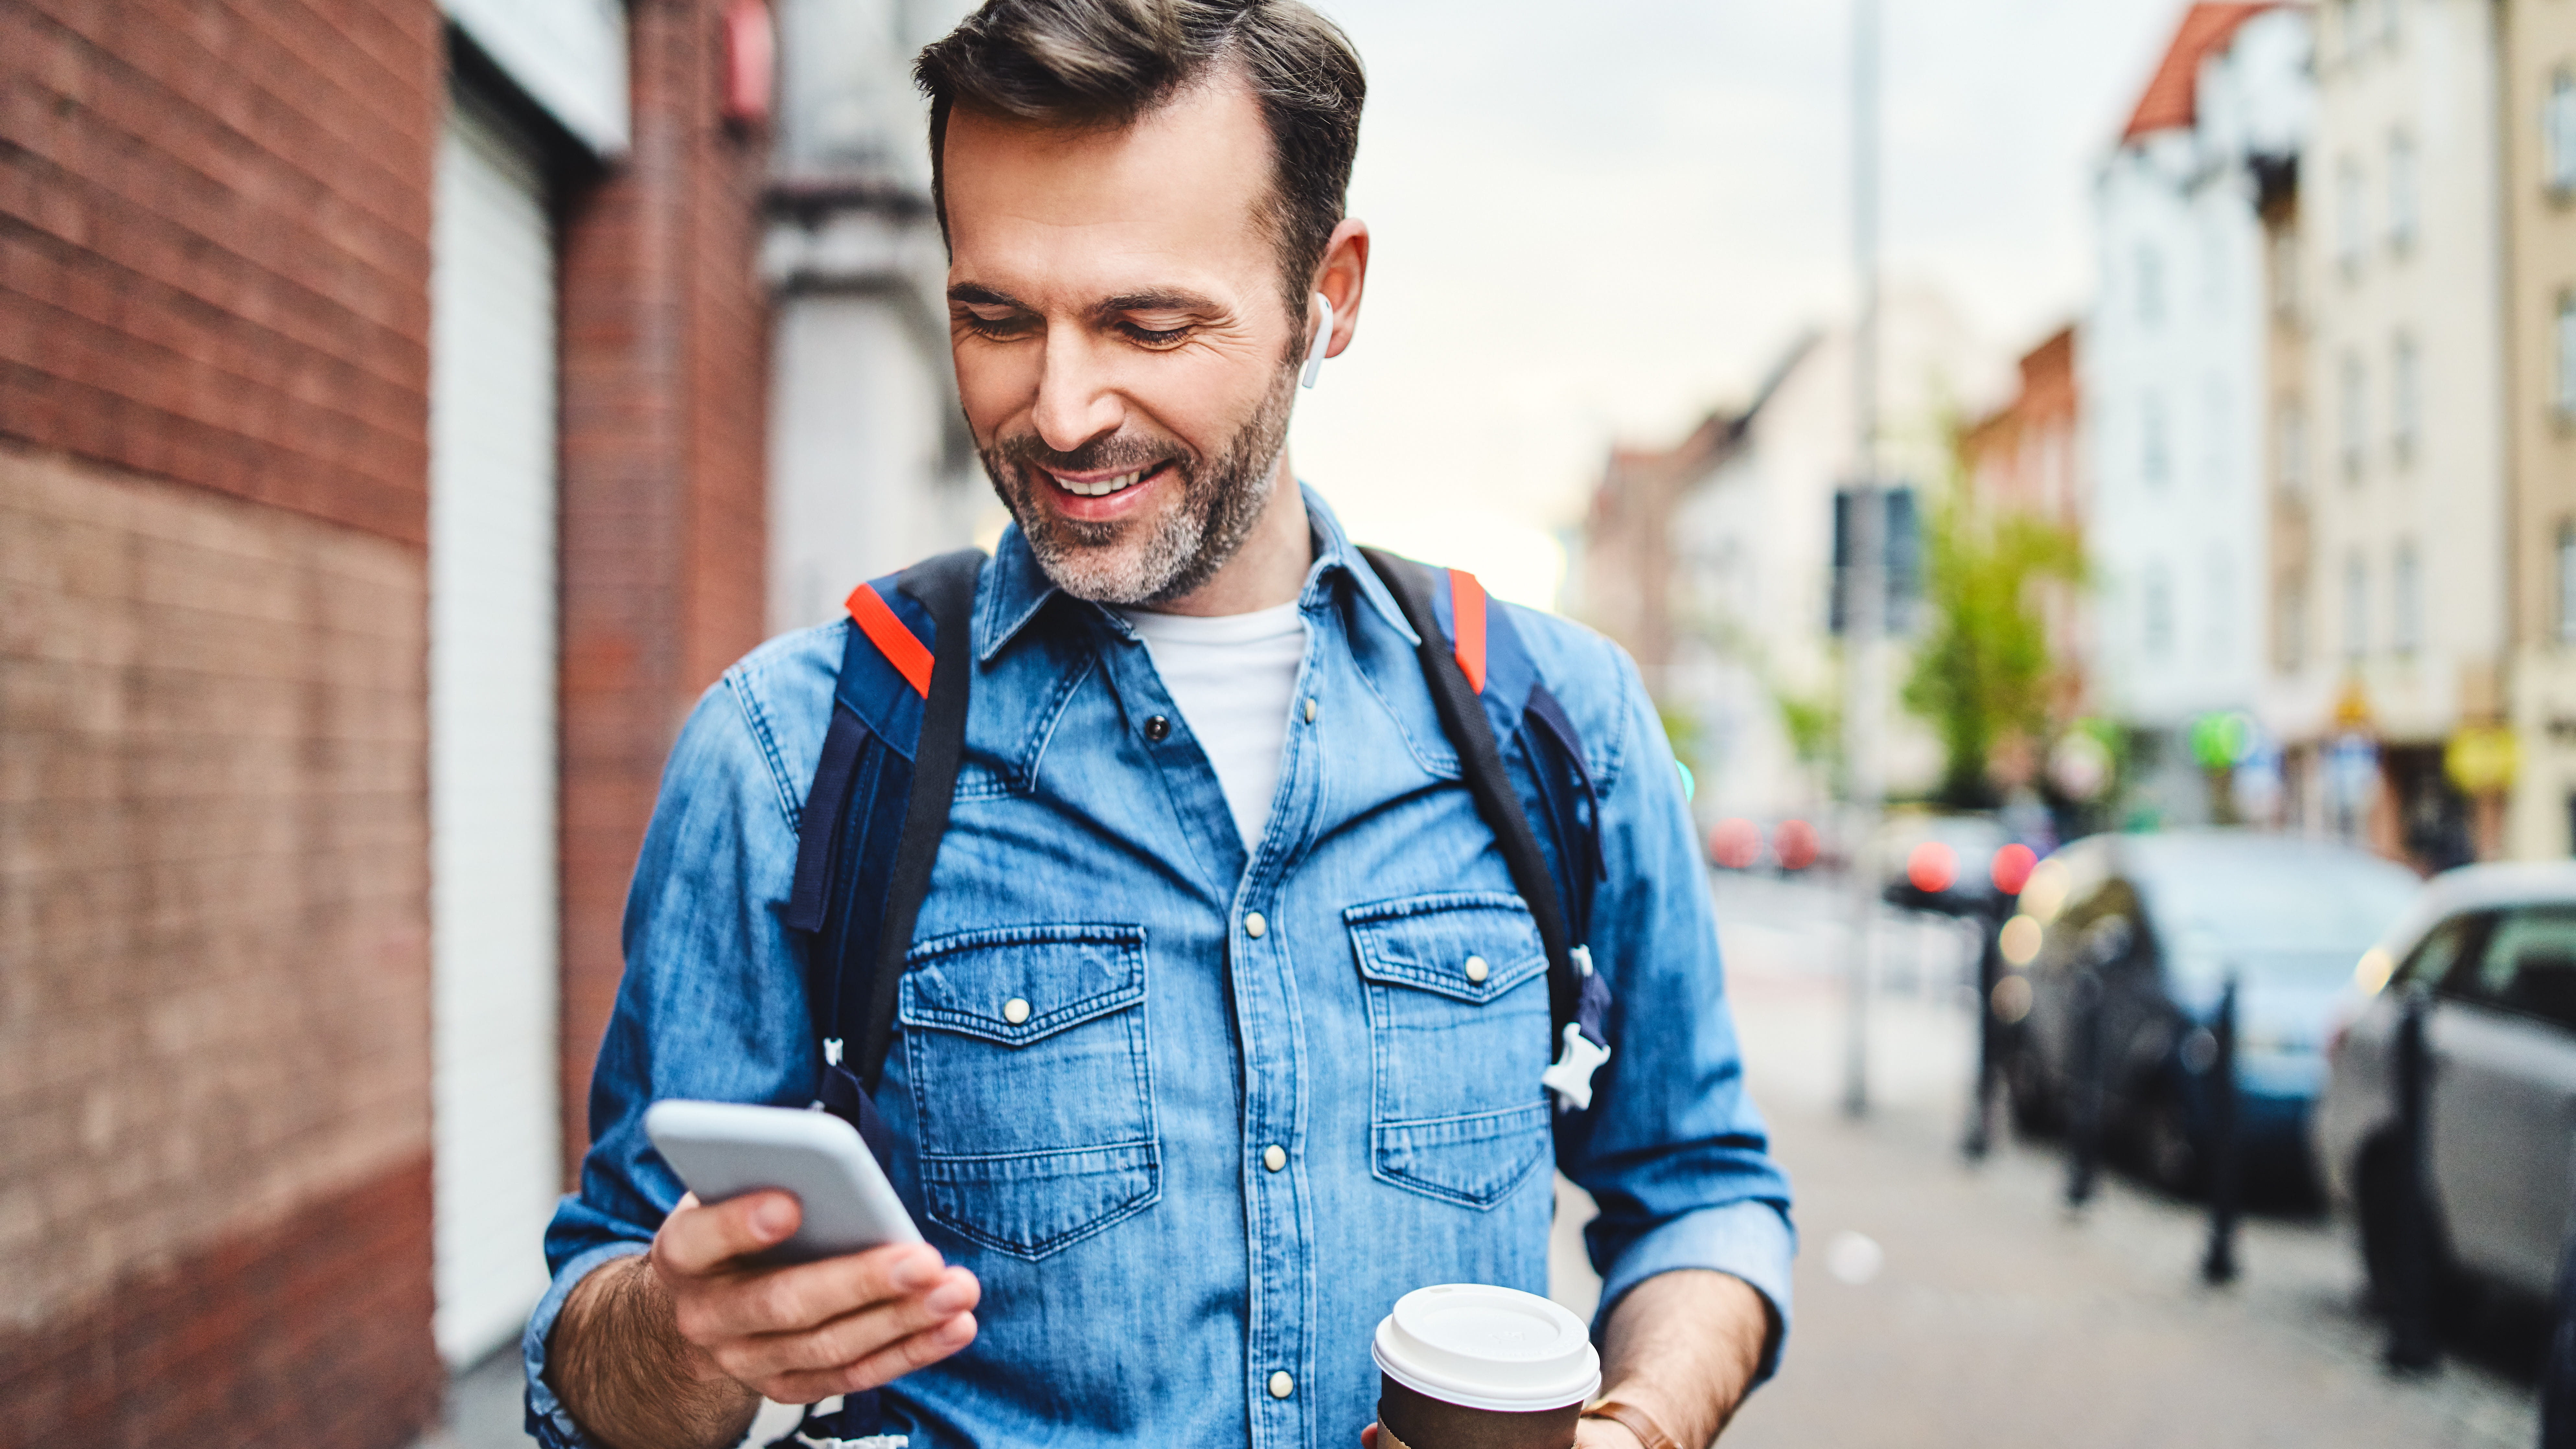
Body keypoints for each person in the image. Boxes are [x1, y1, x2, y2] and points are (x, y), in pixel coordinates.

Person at [526, 3, 1794, 1447]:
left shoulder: (1557, 723)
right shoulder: (790, 754)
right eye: (993, 316)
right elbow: (595, 1371)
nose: (1060, 411)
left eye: (1146, 323)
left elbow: (1702, 1192)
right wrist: (683, 1342)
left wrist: (1635, 1429)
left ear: (1331, 292)